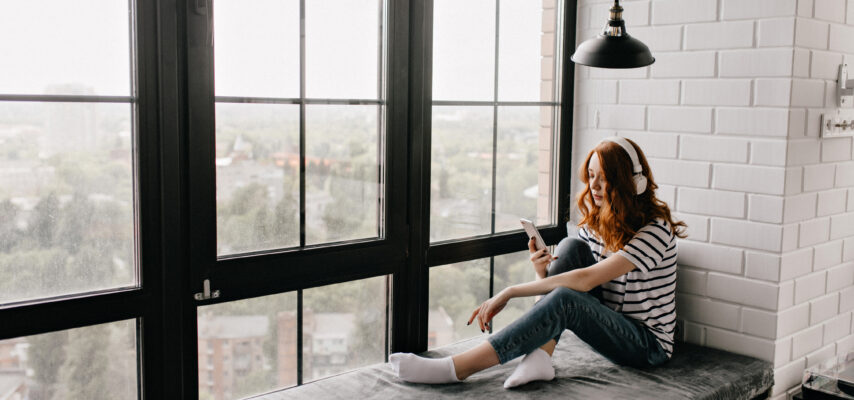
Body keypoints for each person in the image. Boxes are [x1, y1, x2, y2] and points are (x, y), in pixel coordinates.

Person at [389, 137, 687, 388]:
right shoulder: (599, 222)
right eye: (591, 175)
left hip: (647, 345)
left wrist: (509, 291)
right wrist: (540, 269)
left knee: (568, 298)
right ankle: (541, 356)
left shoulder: (655, 230)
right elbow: (573, 277)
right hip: (611, 322)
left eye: (605, 177)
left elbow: (583, 283)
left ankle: (456, 369)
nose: (594, 185)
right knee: (571, 246)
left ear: (631, 183)